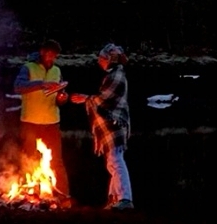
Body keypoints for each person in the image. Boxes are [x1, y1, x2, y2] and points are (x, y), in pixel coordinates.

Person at [71, 43, 132, 209]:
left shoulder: (116, 75)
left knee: (116, 161)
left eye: (102, 58)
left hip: (114, 124)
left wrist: (86, 99)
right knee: (112, 162)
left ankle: (125, 198)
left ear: (109, 59)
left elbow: (104, 99)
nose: (100, 61)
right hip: (113, 125)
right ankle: (114, 199)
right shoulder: (114, 74)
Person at [13, 39, 71, 198]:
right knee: (28, 159)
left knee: (56, 161)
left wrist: (62, 97)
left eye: (55, 56)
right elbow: (18, 86)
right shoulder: (28, 67)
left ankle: (63, 196)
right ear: (42, 52)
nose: (51, 58)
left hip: (52, 122)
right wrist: (41, 84)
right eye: (49, 54)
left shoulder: (57, 71)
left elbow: (60, 99)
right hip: (30, 122)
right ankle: (28, 195)